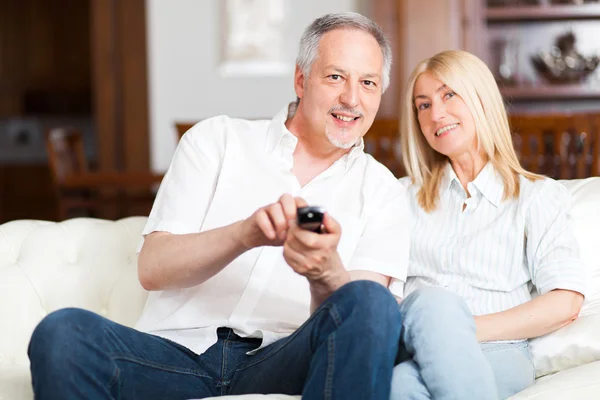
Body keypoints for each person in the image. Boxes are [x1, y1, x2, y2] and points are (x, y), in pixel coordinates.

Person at [27, 12, 412, 400]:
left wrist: (325, 274)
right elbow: (152, 269)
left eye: (368, 83)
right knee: (63, 333)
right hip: (172, 358)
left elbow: (361, 325)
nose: (351, 98)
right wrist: (243, 235)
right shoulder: (216, 141)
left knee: (372, 302)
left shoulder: (385, 193)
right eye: (335, 76)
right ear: (301, 79)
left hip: (283, 358)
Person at [389, 50, 588, 399]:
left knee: (428, 325)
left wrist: (457, 330)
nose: (436, 114)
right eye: (423, 105)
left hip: (499, 351)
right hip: (414, 346)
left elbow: (565, 301)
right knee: (400, 377)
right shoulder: (400, 197)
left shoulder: (536, 197)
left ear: (481, 98)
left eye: (449, 94)